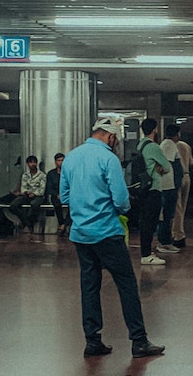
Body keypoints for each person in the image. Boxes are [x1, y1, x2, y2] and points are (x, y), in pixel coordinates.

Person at [59, 117, 164, 359]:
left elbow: (64, 196)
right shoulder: (108, 159)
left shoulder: (72, 157)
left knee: (89, 286)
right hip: (106, 232)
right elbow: (120, 200)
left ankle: (92, 341)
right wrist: (117, 208)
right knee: (126, 285)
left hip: (81, 235)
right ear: (112, 137)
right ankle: (139, 341)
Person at [135, 118, 170, 265]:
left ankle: (146, 251)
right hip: (153, 188)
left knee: (145, 221)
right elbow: (167, 166)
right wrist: (159, 167)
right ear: (154, 129)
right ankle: (146, 254)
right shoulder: (154, 147)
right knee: (150, 222)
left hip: (143, 189)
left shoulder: (140, 145)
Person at [156, 124, 183, 254]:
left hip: (170, 185)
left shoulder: (167, 144)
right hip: (168, 186)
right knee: (167, 215)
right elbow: (165, 164)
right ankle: (165, 242)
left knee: (168, 214)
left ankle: (166, 240)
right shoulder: (169, 144)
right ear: (177, 134)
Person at [8, 155, 46, 233]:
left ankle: (27, 222)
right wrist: (26, 192)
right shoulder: (25, 175)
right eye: (30, 162)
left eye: (34, 162)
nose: (32, 164)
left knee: (34, 204)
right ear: (27, 164)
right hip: (27, 195)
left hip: (38, 196)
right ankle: (26, 222)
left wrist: (34, 194)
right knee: (13, 205)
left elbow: (42, 189)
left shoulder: (42, 175)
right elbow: (23, 187)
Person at [172, 133, 193, 248]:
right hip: (187, 176)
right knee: (182, 207)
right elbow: (191, 162)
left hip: (176, 177)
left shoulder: (170, 146)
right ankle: (178, 232)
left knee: (177, 208)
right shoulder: (186, 146)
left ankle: (178, 235)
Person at [44, 152, 70, 236]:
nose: (61, 162)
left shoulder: (68, 173)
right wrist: (57, 195)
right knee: (57, 204)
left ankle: (63, 225)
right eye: (59, 160)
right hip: (56, 196)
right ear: (55, 162)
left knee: (74, 206)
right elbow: (49, 188)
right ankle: (62, 224)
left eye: (63, 160)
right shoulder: (51, 174)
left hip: (67, 195)